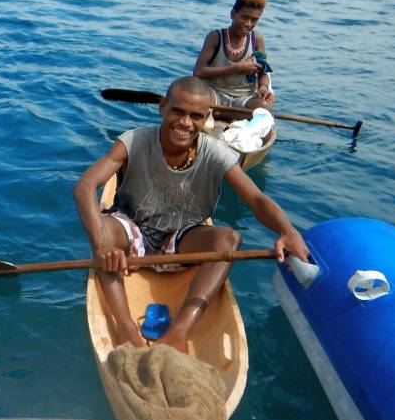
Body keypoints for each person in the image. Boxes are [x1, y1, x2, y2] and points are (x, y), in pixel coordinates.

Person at [73, 76, 309, 353]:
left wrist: (287, 231)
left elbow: (257, 199)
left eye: (196, 116)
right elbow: (85, 185)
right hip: (132, 233)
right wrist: (101, 246)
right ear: (163, 108)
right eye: (178, 111)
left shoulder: (216, 152)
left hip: (181, 241)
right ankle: (126, 329)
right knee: (101, 230)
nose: (185, 122)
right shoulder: (133, 141)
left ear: (207, 118)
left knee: (228, 239)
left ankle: (180, 330)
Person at [193, 0, 274, 110]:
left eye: (254, 20)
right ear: (233, 14)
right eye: (245, 17)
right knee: (195, 98)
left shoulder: (257, 40)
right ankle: (229, 112)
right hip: (215, 93)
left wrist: (263, 88)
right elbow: (199, 71)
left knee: (264, 106)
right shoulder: (215, 37)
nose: (248, 24)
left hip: (244, 98)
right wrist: (236, 68)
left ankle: (221, 113)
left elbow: (263, 73)